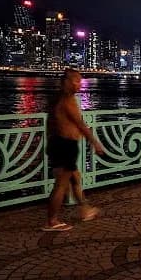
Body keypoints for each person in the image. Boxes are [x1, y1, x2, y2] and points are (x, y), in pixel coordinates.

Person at [43, 69, 105, 232]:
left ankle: (85, 210)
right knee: (61, 185)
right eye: (76, 81)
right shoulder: (68, 100)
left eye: (80, 81)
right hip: (66, 146)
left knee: (75, 178)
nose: (79, 84)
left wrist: (51, 143)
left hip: (57, 143)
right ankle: (52, 221)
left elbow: (51, 123)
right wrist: (95, 143)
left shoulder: (56, 99)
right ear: (67, 82)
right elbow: (80, 124)